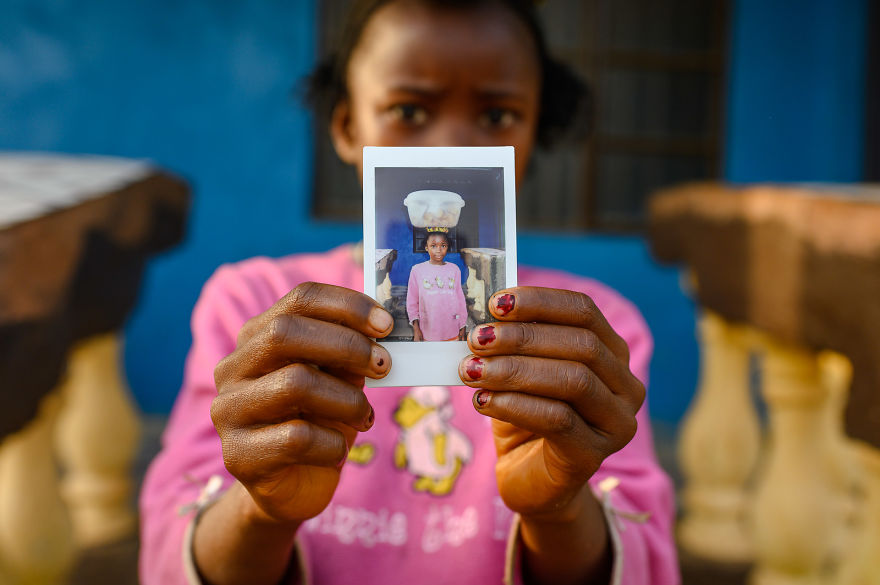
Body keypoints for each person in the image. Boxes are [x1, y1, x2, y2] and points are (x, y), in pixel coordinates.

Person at [139, 1, 679, 584]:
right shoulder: (253, 304)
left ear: (533, 131)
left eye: (498, 115)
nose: (449, 146)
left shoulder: (591, 334)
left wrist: (558, 506)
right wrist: (262, 508)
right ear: (347, 128)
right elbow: (173, 549)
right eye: (407, 109)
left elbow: (642, 551)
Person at [407, 230, 468, 341]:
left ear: (448, 247)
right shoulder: (417, 270)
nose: (438, 250)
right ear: (426, 247)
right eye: (433, 246)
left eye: (443, 245)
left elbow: (460, 300)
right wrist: (416, 329)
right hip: (428, 332)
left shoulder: (454, 269)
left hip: (452, 331)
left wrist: (462, 325)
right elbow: (412, 302)